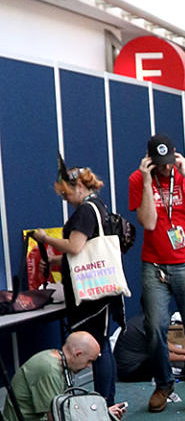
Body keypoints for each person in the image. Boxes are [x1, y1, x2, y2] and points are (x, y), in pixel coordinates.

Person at [129, 132, 185, 414]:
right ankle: (163, 384)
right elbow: (148, 221)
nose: (166, 168)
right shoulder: (138, 179)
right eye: (160, 164)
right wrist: (147, 181)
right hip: (154, 265)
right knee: (155, 327)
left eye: (170, 161)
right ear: (149, 161)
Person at [32, 157, 126, 405]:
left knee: (98, 348)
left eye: (66, 195)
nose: (66, 200)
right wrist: (55, 263)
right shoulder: (98, 206)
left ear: (79, 187)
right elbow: (85, 251)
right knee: (102, 345)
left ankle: (105, 404)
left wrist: (45, 239)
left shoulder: (85, 210)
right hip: (102, 290)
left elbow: (75, 246)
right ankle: (108, 402)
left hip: (91, 296)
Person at [2, 331, 104, 421]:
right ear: (78, 354)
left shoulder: (56, 359)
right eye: (89, 361)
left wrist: (101, 414)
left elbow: (68, 408)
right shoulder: (50, 370)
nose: (88, 366)